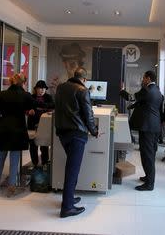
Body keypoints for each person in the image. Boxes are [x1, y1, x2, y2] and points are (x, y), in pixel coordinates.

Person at [55, 67, 98, 218]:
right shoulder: (83, 90)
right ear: (84, 79)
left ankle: (69, 198)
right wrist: (94, 131)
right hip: (77, 134)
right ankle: (67, 208)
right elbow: (88, 114)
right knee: (72, 170)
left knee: (71, 168)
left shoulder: (60, 88)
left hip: (62, 133)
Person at [0, 73, 33, 197]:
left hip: (3, 128)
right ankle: (11, 185)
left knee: (0, 157)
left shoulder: (2, 94)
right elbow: (31, 109)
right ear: (23, 83)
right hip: (18, 129)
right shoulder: (26, 95)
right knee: (14, 158)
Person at [130, 71, 163, 191]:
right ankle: (148, 177)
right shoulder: (157, 90)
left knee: (147, 155)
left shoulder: (147, 90)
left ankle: (149, 184)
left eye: (143, 78)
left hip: (147, 126)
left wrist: (122, 91)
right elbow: (145, 103)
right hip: (154, 126)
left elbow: (132, 97)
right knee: (150, 154)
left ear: (148, 79)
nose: (142, 80)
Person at [27, 80, 55, 167]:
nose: (42, 90)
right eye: (40, 88)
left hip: (44, 124)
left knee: (44, 144)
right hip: (32, 123)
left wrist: (45, 108)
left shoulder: (48, 97)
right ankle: (34, 162)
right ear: (36, 89)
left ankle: (44, 162)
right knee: (33, 144)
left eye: (44, 88)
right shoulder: (31, 97)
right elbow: (26, 109)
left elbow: (52, 106)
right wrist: (29, 111)